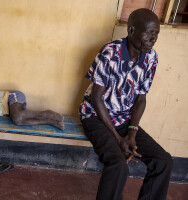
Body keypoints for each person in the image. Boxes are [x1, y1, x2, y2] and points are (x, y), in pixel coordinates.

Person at [79, 8, 172, 200]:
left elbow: (141, 99)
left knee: (163, 161)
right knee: (118, 163)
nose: (152, 39)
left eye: (156, 34)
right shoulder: (110, 53)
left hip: (124, 120)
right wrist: (117, 138)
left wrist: (131, 133)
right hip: (96, 117)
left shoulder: (151, 58)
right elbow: (96, 98)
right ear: (131, 31)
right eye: (148, 33)